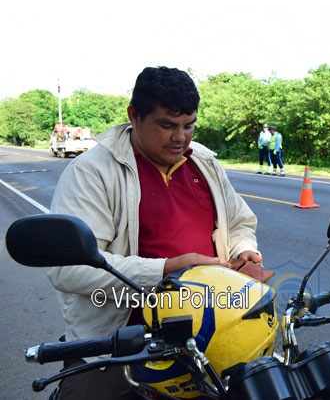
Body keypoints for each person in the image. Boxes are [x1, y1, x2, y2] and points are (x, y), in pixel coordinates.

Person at [47, 66, 263, 399]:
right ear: (134, 115)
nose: (181, 138)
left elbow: (239, 223)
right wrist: (166, 270)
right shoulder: (92, 172)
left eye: (189, 125)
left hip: (209, 334)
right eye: (167, 125)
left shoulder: (204, 163)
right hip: (120, 345)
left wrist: (242, 250)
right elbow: (68, 267)